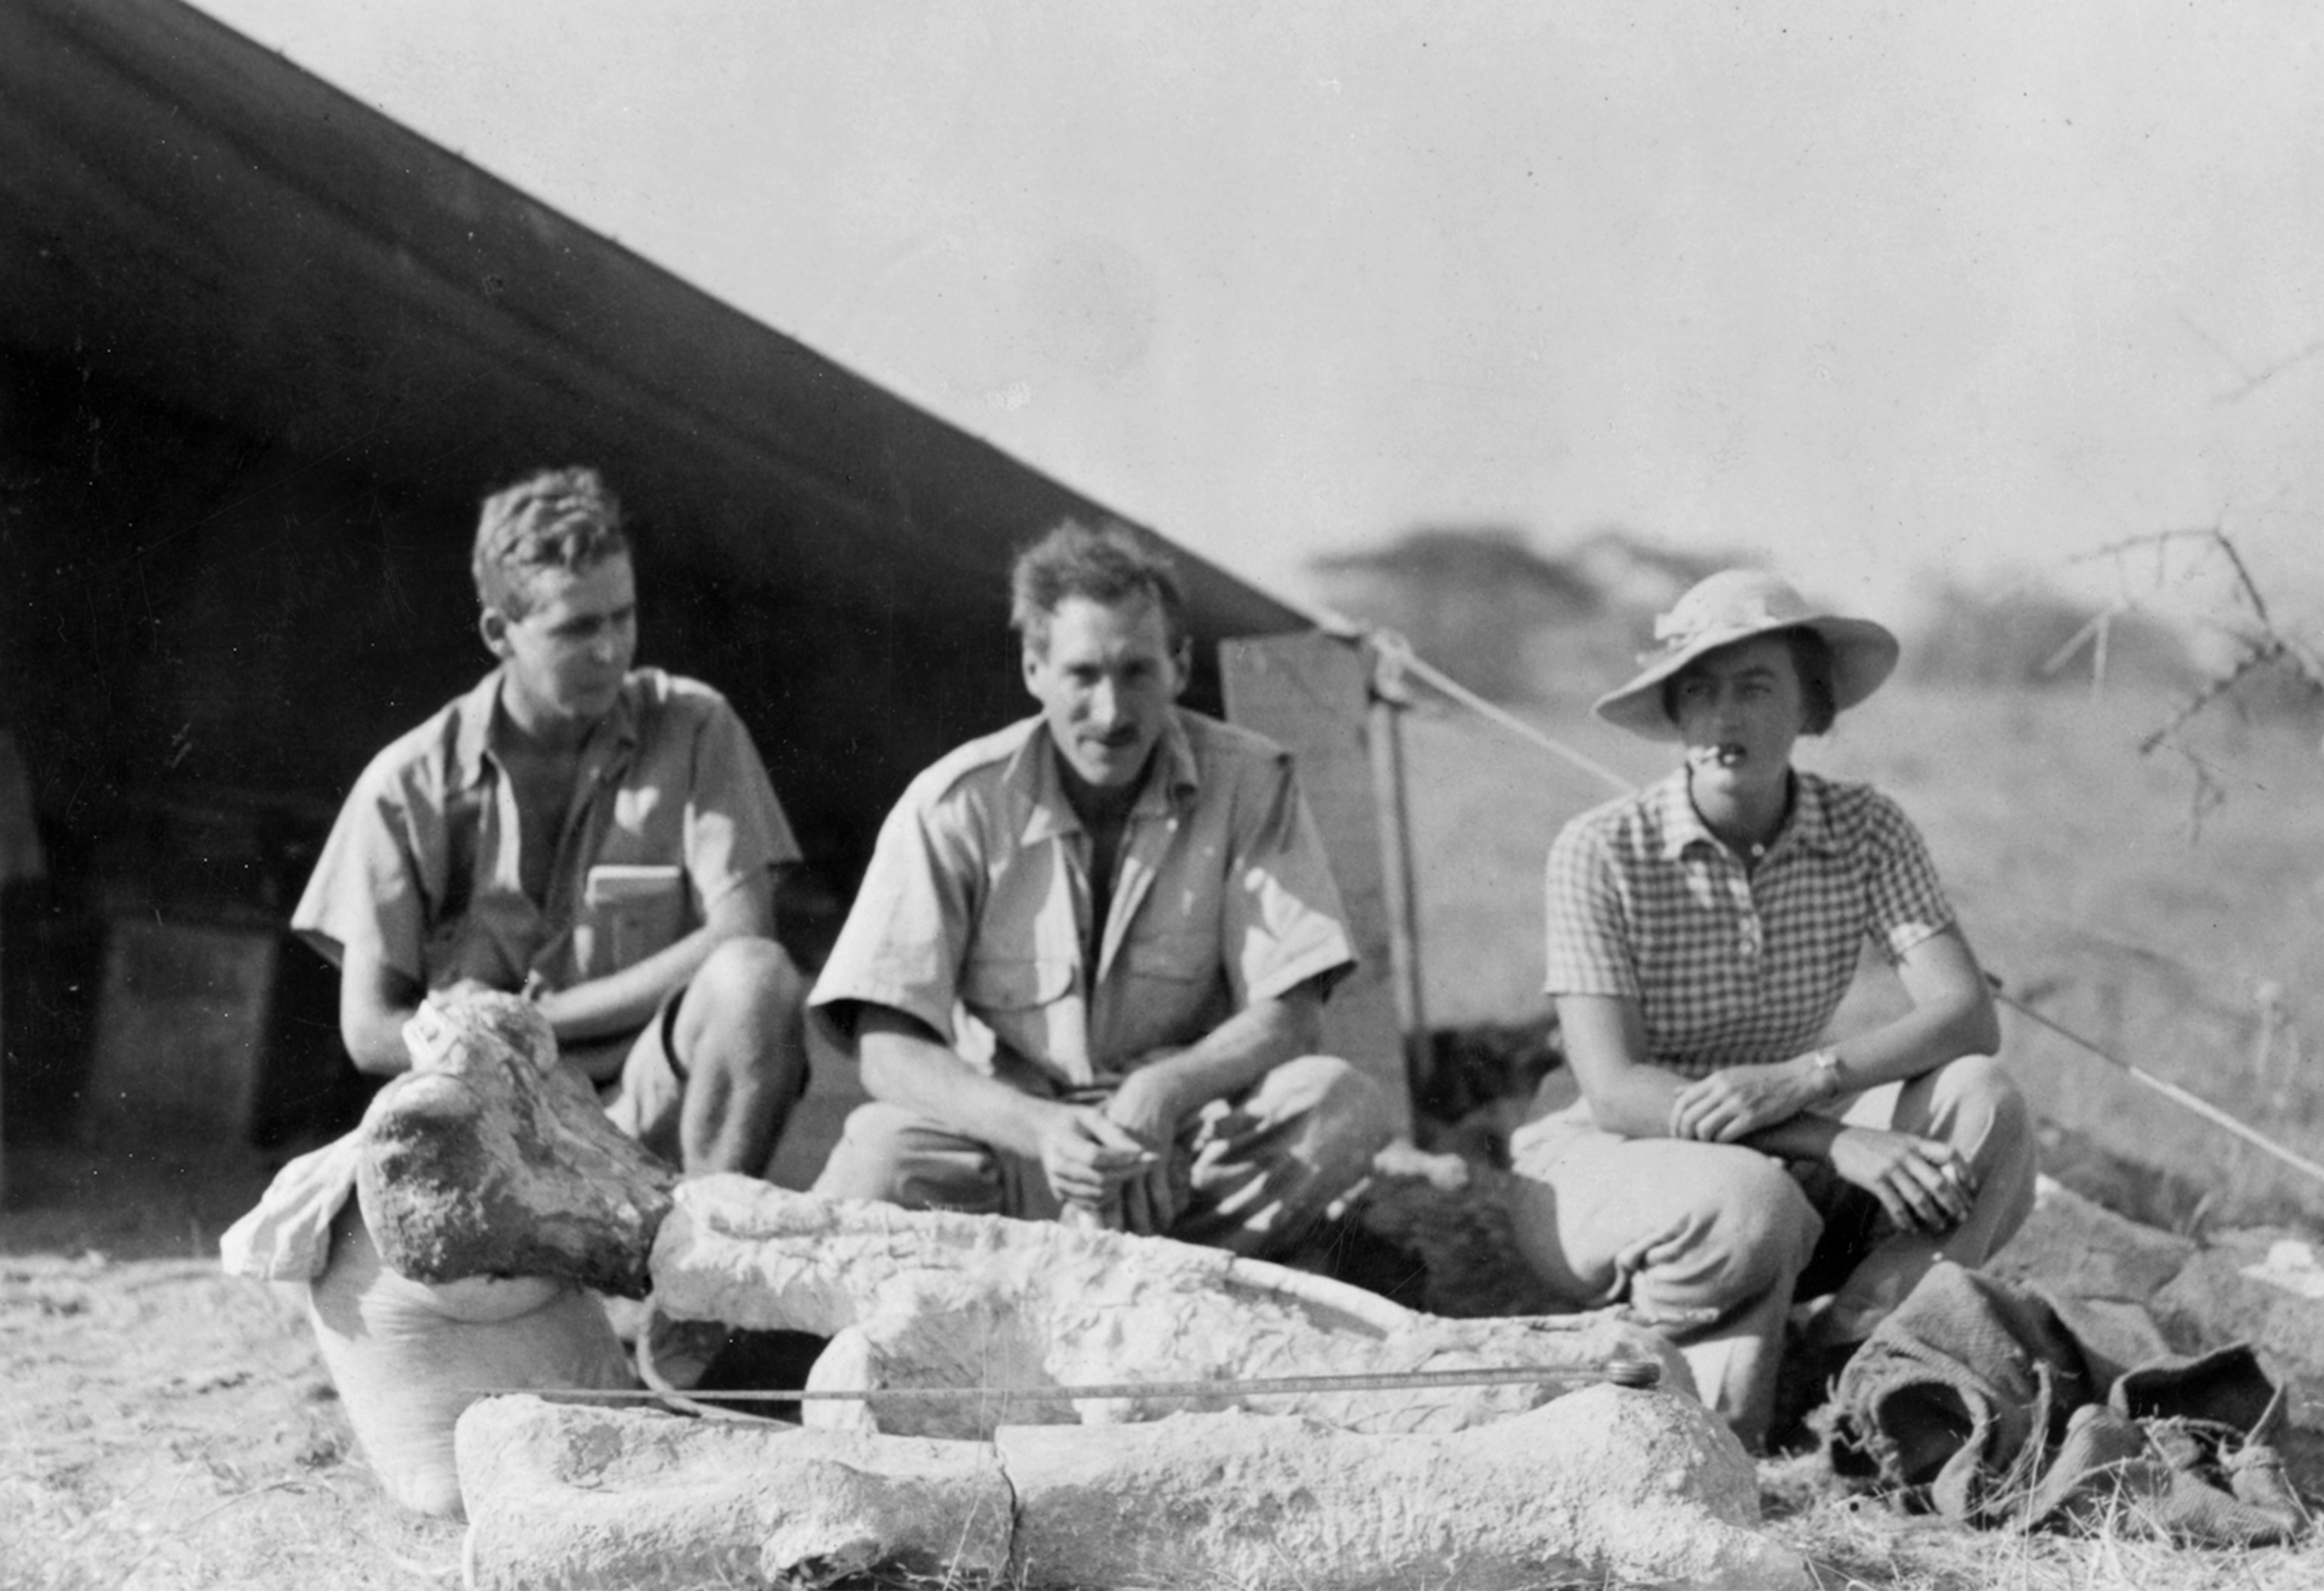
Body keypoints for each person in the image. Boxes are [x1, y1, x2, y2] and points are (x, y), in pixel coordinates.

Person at [1506, 568, 2037, 1450]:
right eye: (1700, 691)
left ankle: (1856, 1374)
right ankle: (1709, 1440)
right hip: (1609, 1163)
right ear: (1674, 711)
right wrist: (1831, 1138)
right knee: (1749, 1202)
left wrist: (1806, 1078)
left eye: (1755, 688)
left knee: (1986, 1102)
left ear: (1810, 707)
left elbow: (1966, 1015)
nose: (1725, 717)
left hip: (1777, 1147)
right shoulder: (1600, 849)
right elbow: (1617, 1091)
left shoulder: (1865, 829)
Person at [807, 518, 1393, 1256]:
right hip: (1010, 1149)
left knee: (1337, 1106)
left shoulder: (1252, 782)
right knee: (879, 1153)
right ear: (1034, 670)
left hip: (1181, 1151)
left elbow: (1291, 1013)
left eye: (1137, 672)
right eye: (1083, 675)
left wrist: (1164, 1092)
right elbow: (887, 1047)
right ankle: (1044, 1278)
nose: (1112, 713)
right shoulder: (954, 803)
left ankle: (1168, 1279)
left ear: (1179, 666)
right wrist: (1041, 1129)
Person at [291, 466, 811, 1176]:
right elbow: (369, 1028)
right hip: (488, 1129)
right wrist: (475, 1045)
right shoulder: (408, 784)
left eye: (623, 616)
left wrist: (527, 1021)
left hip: (646, 1110)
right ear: (498, 631)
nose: (611, 648)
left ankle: (709, 1231)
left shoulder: (695, 728)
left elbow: (743, 934)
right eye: (577, 627)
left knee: (758, 980)